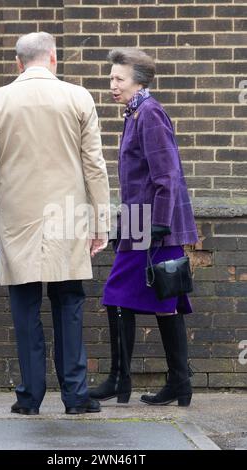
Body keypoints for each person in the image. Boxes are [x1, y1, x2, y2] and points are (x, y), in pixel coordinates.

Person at [0, 32, 110, 415]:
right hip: (68, 217)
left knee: (25, 308)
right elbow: (94, 166)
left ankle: (29, 397)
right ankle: (76, 397)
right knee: (70, 304)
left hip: (18, 219)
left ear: (18, 63)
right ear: (53, 58)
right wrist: (101, 223)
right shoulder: (78, 97)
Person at [90, 48, 198, 407]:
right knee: (166, 300)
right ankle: (179, 385)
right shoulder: (136, 112)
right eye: (110, 78)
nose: (112, 84)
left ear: (138, 79)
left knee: (117, 293)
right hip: (142, 221)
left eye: (118, 78)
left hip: (151, 224)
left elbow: (166, 174)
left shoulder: (149, 113)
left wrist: (160, 224)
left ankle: (120, 381)